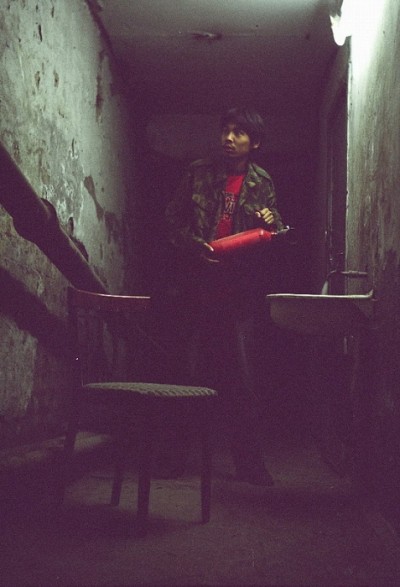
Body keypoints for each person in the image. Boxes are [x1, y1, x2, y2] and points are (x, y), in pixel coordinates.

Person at [163, 106, 285, 485]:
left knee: (242, 383)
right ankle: (174, 459)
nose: (228, 138)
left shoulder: (261, 182)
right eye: (225, 130)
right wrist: (193, 246)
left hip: (238, 297)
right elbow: (172, 221)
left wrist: (272, 223)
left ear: (254, 142)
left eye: (239, 132)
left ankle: (250, 465)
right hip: (196, 291)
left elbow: (275, 233)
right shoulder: (199, 173)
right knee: (186, 375)